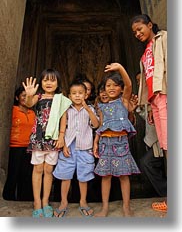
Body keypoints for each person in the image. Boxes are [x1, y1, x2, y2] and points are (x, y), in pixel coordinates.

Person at [22, 69, 72, 217]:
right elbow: (30, 103)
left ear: (58, 83)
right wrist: (30, 95)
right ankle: (37, 202)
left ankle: (45, 201)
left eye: (52, 80)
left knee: (49, 170)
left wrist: (62, 136)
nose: (49, 83)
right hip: (38, 137)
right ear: (41, 82)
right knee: (38, 169)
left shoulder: (61, 99)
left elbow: (64, 118)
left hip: (54, 139)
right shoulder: (38, 96)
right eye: (45, 80)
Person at [93, 63, 140, 217]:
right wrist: (95, 144)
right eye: (108, 85)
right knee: (105, 177)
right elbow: (100, 126)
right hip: (105, 144)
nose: (111, 88)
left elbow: (129, 84)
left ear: (120, 89)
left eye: (115, 85)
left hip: (121, 143)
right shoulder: (101, 106)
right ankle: (105, 207)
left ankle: (126, 207)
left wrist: (120, 68)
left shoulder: (124, 101)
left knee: (124, 176)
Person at [131, 14, 167, 212]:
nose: (137, 33)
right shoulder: (145, 54)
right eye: (134, 32)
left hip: (167, 95)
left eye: (140, 29)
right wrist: (150, 106)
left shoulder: (165, 39)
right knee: (167, 147)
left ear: (150, 25)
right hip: (156, 101)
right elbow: (148, 84)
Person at [53, 80, 99, 217]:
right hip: (69, 147)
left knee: (83, 177)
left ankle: (83, 201)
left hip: (85, 147)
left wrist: (88, 109)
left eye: (80, 93)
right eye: (74, 93)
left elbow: (96, 124)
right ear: (69, 96)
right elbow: (63, 129)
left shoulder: (90, 109)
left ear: (86, 95)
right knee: (65, 176)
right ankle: (63, 202)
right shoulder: (66, 109)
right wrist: (65, 146)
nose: (77, 96)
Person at [135, 72, 167, 198]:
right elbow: (150, 120)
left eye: (141, 79)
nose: (139, 83)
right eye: (137, 81)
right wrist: (139, 109)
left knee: (147, 162)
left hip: (162, 139)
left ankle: (167, 194)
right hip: (155, 140)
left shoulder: (158, 92)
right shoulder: (145, 97)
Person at [2, 86, 35, 201]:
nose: (25, 98)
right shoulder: (12, 110)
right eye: (23, 95)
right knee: (13, 173)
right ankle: (8, 198)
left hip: (29, 148)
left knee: (26, 174)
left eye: (28, 96)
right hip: (14, 147)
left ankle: (24, 198)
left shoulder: (32, 113)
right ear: (17, 97)